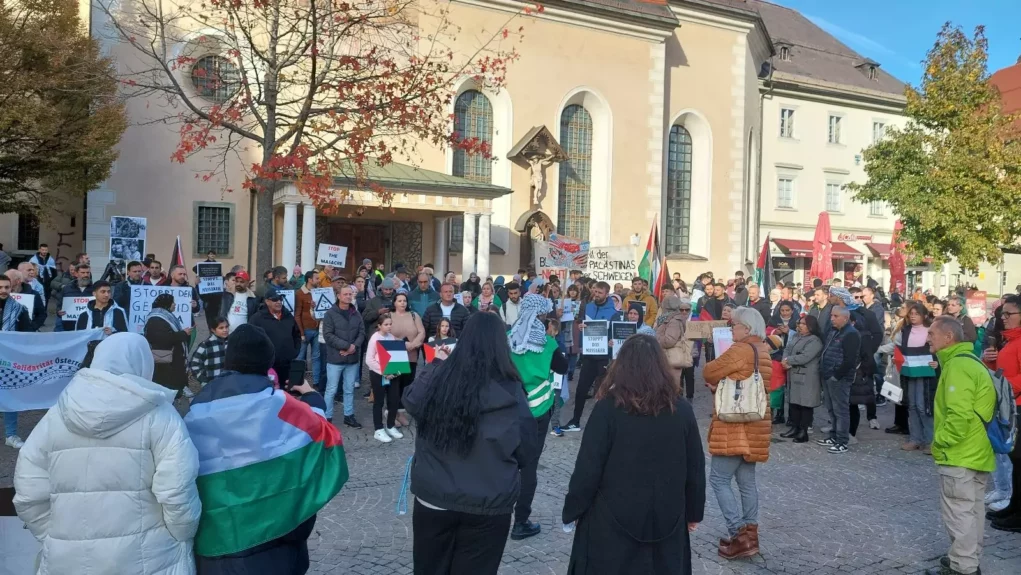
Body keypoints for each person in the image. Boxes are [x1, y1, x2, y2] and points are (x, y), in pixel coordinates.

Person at [13, 333, 201, 575]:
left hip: (68, 562)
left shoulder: (54, 416)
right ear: (144, 364)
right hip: (150, 558)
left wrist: (56, 536)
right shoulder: (161, 416)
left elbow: (28, 491)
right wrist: (180, 535)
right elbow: (178, 489)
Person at [186, 325, 347, 575]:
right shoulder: (282, 404)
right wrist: (313, 397)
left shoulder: (194, 413)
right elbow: (326, 435)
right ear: (267, 364)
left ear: (229, 361)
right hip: (277, 544)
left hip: (218, 546)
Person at [403, 312, 536, 574]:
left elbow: (412, 402)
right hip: (487, 500)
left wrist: (435, 366)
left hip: (438, 496)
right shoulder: (512, 391)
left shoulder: (441, 377)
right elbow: (527, 449)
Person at [562, 335, 705, 575]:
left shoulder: (608, 408)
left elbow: (588, 466)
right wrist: (693, 511)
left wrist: (574, 509)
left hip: (613, 519)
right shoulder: (680, 410)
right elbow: (695, 467)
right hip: (663, 514)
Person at [919, 316, 996, 575]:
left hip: (961, 453)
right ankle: (964, 559)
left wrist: (940, 441)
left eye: (931, 334)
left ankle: (963, 567)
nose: (928, 338)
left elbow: (959, 415)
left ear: (948, 337)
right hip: (977, 450)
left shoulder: (958, 366)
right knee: (972, 512)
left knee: (960, 514)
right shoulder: (968, 361)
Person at [702, 307, 773, 559]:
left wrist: (718, 381)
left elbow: (709, 370)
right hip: (755, 422)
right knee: (746, 482)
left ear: (747, 328)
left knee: (719, 480)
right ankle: (750, 535)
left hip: (735, 425)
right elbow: (742, 383)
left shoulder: (740, 349)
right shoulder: (762, 349)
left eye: (735, 325)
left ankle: (738, 535)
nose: (732, 329)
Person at [507, 293, 568, 540]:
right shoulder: (547, 343)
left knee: (507, 460)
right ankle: (520, 521)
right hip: (539, 408)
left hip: (512, 407)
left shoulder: (509, 340)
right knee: (529, 467)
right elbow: (563, 368)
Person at [564, 281, 621, 433]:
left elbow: (615, 335)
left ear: (607, 294)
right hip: (589, 354)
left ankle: (605, 424)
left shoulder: (614, 312)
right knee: (581, 389)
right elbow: (583, 324)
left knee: (603, 392)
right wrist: (581, 328)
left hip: (604, 357)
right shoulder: (588, 306)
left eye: (600, 293)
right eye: (595, 292)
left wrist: (612, 342)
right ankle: (575, 421)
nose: (596, 295)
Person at [985, 294, 1021, 532]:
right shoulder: (1009, 340)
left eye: (1009, 314)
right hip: (1012, 405)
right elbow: (1003, 372)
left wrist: (1006, 387)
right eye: (1002, 314)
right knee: (1016, 461)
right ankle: (1014, 507)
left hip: (1017, 404)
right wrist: (990, 362)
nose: (1003, 318)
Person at [817, 307, 861, 454]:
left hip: (839, 378)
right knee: (831, 408)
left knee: (841, 410)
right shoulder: (834, 330)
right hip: (828, 374)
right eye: (831, 315)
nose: (832, 318)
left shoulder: (851, 334)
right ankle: (834, 435)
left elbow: (850, 360)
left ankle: (842, 441)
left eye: (835, 316)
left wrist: (837, 375)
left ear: (845, 318)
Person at [897, 302, 938, 453]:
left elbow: (938, 349)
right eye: (911, 314)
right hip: (910, 370)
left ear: (924, 316)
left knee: (923, 406)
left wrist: (937, 362)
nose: (913, 317)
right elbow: (899, 346)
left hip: (925, 372)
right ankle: (915, 438)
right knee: (912, 404)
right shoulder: (906, 330)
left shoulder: (931, 330)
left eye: (917, 314)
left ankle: (930, 441)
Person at [323, 285, 365, 427]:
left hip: (352, 359)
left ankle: (348, 415)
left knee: (349, 389)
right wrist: (347, 346)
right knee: (331, 390)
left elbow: (362, 332)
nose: (348, 296)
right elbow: (328, 335)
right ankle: (327, 417)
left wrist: (353, 347)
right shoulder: (330, 314)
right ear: (339, 296)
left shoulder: (356, 314)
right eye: (345, 294)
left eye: (350, 294)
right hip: (336, 358)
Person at [781, 315, 824, 443]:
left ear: (811, 326)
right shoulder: (796, 337)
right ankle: (794, 427)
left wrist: (789, 360)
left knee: (805, 403)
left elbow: (806, 356)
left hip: (807, 376)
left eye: (804, 324)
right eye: (799, 323)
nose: (800, 325)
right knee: (794, 402)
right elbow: (787, 349)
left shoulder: (814, 340)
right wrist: (785, 359)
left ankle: (803, 431)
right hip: (794, 374)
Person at [1, 274, 32, 449]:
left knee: (9, 397)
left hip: (9, 361)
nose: (3, 290)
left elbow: (27, 336)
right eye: (0, 287)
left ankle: (11, 435)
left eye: (6, 287)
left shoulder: (20, 309)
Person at [248, 290, 302, 387]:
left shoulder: (288, 316)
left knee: (288, 391)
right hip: (268, 365)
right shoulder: (257, 318)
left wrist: (295, 351)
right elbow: (251, 340)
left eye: (280, 299)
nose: (279, 302)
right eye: (275, 300)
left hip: (287, 363)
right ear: (267, 301)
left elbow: (296, 334)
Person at [143, 293, 192, 395]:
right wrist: (183, 334)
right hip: (166, 360)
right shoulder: (157, 319)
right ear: (167, 304)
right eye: (173, 302)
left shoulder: (164, 316)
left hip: (169, 357)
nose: (175, 305)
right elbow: (163, 338)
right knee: (167, 384)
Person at [365, 314, 404, 443]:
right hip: (378, 374)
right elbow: (369, 360)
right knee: (379, 401)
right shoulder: (374, 339)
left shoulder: (391, 337)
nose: (389, 327)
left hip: (392, 374)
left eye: (390, 324)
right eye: (386, 324)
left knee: (393, 400)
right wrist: (384, 371)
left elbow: (394, 355)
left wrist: (396, 369)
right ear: (379, 326)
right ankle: (378, 429)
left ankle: (390, 425)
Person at [389, 292, 425, 426]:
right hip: (394, 354)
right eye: (399, 301)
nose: (402, 303)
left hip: (411, 354)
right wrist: (403, 344)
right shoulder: (389, 316)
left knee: (407, 383)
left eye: (404, 300)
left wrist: (413, 344)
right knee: (394, 384)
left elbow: (421, 332)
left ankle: (401, 412)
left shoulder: (414, 315)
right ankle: (391, 412)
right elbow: (384, 332)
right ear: (394, 303)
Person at [655, 296, 694, 399]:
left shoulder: (674, 320)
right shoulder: (667, 318)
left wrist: (656, 337)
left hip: (671, 358)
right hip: (667, 357)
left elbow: (669, 341)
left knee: (671, 387)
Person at [295, 270, 323, 387]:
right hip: (306, 330)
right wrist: (301, 333)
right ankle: (296, 382)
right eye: (317, 278)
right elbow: (297, 315)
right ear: (310, 280)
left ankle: (316, 382)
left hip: (317, 329)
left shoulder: (318, 292)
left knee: (316, 357)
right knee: (301, 357)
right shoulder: (300, 293)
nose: (319, 280)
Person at [190, 316, 230, 387]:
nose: (225, 330)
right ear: (213, 330)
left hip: (228, 383)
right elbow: (194, 364)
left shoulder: (231, 342)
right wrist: (203, 380)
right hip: (211, 384)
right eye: (221, 328)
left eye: (226, 327)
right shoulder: (206, 345)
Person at [56, 262, 94, 331]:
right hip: (69, 326)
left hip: (88, 327)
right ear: (76, 274)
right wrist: (59, 312)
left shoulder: (95, 290)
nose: (86, 275)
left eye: (88, 272)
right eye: (83, 272)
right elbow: (59, 306)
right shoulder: (67, 289)